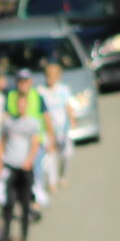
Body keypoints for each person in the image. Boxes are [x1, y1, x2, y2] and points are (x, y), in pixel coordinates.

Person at [0, 70, 53, 241]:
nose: (22, 84)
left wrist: (50, 138)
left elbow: (45, 119)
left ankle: (35, 204)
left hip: (32, 152)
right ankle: (6, 236)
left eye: (25, 81)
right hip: (13, 160)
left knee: (34, 182)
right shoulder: (11, 98)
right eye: (20, 81)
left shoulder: (37, 97)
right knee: (9, 200)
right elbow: (3, 135)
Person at [39, 63, 76, 195]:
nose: (51, 78)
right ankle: (52, 182)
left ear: (58, 76)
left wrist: (72, 120)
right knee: (51, 155)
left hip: (63, 128)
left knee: (67, 154)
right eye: (48, 75)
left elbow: (68, 106)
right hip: (48, 129)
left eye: (54, 75)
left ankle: (63, 174)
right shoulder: (41, 91)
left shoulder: (63, 90)